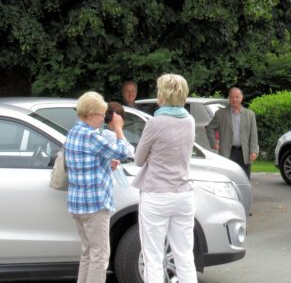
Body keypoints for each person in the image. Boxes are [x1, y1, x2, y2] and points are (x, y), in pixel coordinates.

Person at [132, 74, 197, 283]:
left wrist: (153, 154)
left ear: (163, 94)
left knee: (153, 257)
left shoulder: (155, 122)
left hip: (157, 194)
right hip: (184, 194)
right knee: (185, 255)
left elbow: (139, 159)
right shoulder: (190, 121)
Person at [65, 91, 128, 283]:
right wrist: (118, 128)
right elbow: (123, 151)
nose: (103, 119)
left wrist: (105, 164)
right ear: (91, 114)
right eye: (101, 115)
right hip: (95, 204)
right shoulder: (91, 136)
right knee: (100, 257)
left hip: (78, 203)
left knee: (87, 254)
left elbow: (82, 163)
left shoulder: (73, 133)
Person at [206, 87, 259, 178]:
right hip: (227, 153)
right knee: (228, 178)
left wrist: (254, 151)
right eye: (231, 97)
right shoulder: (220, 114)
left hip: (244, 153)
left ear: (241, 98)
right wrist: (214, 142)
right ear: (229, 98)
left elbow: (253, 134)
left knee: (244, 179)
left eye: (237, 97)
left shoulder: (250, 114)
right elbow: (209, 128)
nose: (234, 99)